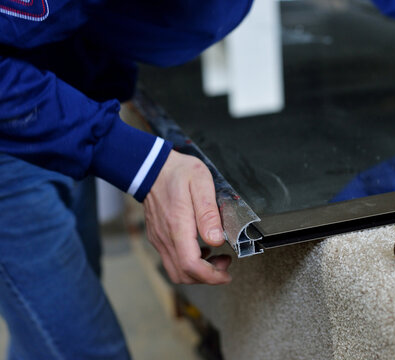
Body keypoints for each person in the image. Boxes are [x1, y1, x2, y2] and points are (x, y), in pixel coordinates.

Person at [0, 0, 253, 358]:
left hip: (65, 96)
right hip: (13, 123)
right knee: (87, 349)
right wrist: (139, 164)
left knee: (42, 332)